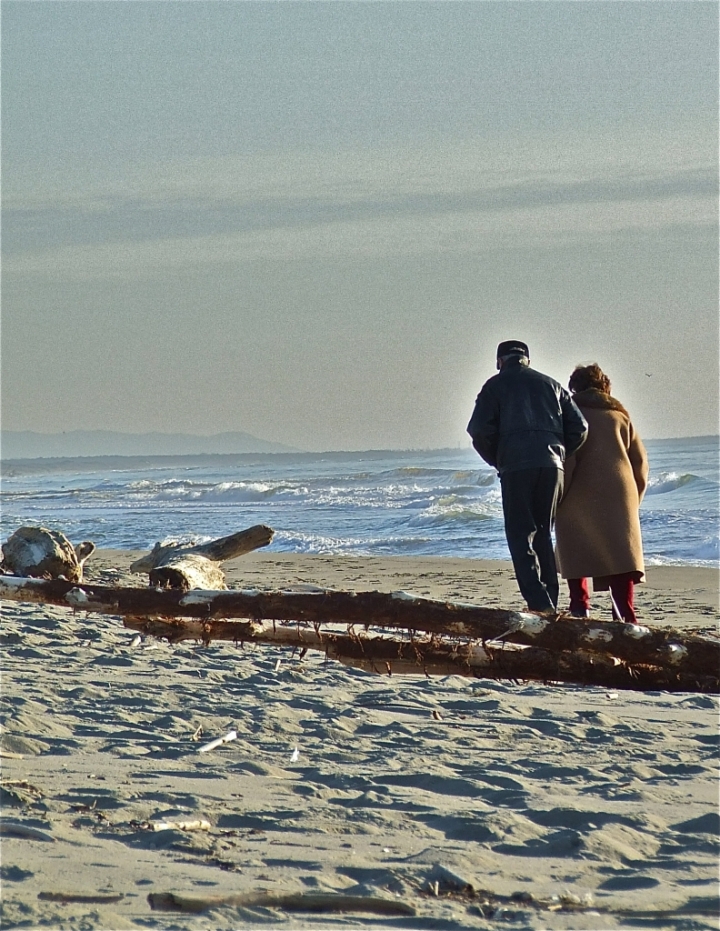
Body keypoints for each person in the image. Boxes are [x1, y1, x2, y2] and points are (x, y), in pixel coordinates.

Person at [467, 340, 588, 614]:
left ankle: (539, 602)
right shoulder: (551, 385)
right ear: (528, 360)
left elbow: (477, 431)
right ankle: (550, 600)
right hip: (552, 466)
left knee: (520, 535)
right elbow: (580, 427)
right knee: (544, 533)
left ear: (500, 361)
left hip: (516, 467)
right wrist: (559, 452)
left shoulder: (494, 386)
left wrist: (498, 459)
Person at [554, 363, 649, 623]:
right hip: (621, 492)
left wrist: (558, 498)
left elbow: (568, 460)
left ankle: (580, 606)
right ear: (605, 386)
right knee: (620, 556)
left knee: (575, 549)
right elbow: (640, 464)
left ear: (575, 387)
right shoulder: (620, 415)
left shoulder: (570, 415)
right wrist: (633, 500)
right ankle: (625, 616)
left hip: (580, 492)